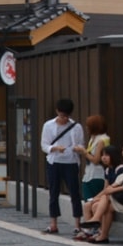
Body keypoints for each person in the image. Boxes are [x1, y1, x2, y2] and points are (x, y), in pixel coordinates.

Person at [40, 98, 85, 235]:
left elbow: (81, 144)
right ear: (57, 112)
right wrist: (54, 148)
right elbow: (44, 145)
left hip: (70, 162)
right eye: (61, 115)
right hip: (54, 162)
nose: (64, 119)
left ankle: (77, 224)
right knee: (53, 192)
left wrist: (78, 149)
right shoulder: (48, 125)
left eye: (66, 116)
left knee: (74, 193)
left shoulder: (76, 127)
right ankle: (53, 223)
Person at [77, 145, 123, 237]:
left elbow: (114, 188)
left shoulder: (121, 169)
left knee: (95, 206)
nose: (103, 157)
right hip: (108, 196)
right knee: (88, 204)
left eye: (107, 155)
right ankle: (89, 229)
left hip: (117, 196)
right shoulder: (107, 170)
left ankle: (100, 231)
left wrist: (97, 199)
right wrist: (95, 198)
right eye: (102, 155)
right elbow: (105, 188)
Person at [80, 115, 110, 202]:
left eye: (88, 126)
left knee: (94, 201)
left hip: (97, 174)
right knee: (88, 202)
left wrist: (84, 152)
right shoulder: (93, 138)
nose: (86, 128)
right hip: (88, 174)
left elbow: (96, 160)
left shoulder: (102, 140)